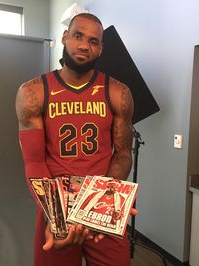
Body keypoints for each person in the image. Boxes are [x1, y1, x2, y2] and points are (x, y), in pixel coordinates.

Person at [16, 12, 135, 266]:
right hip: (56, 207)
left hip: (101, 203)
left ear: (101, 49)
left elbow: (123, 154)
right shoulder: (33, 92)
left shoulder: (118, 92)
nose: (84, 45)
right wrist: (58, 217)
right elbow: (34, 162)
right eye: (78, 36)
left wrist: (101, 202)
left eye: (94, 41)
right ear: (64, 37)